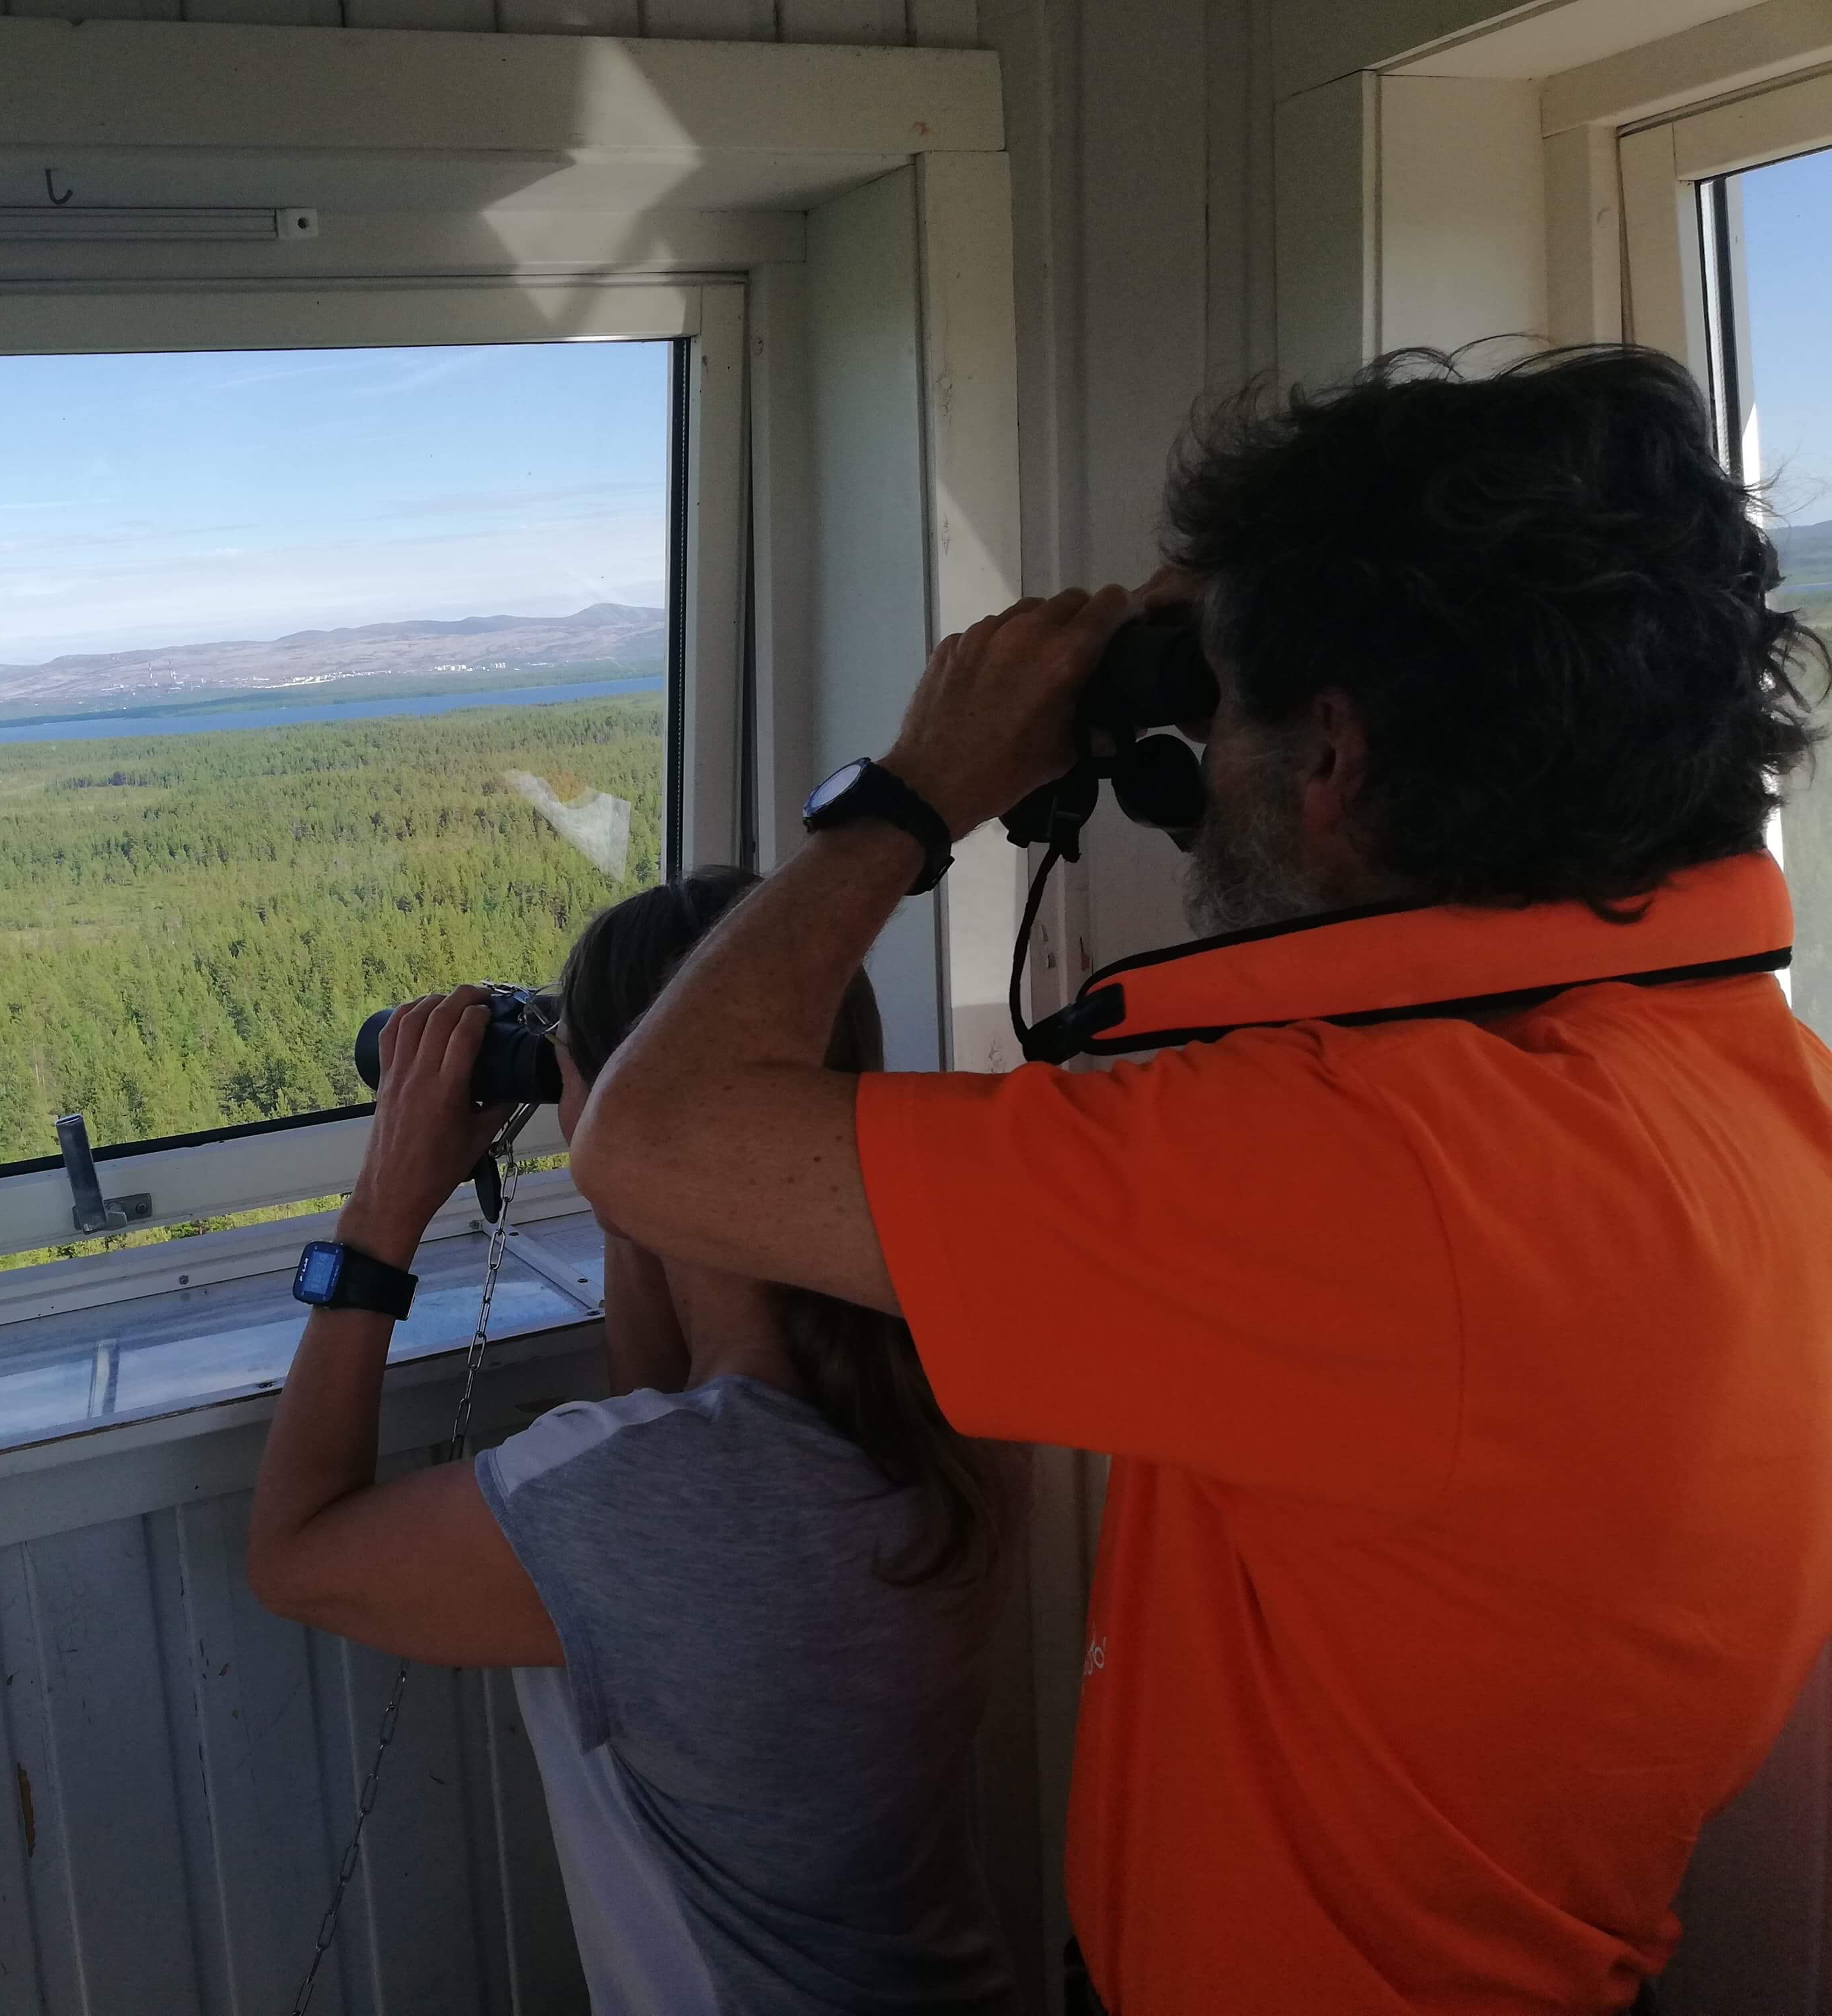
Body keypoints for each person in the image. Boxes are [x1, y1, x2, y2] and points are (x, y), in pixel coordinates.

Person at [571, 346, 1832, 2014]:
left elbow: (652, 1143)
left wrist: (912, 793)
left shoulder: (1374, 1179)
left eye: (1225, 706)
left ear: (1332, 759)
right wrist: (1261, 643)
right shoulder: (1744, 1083)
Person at [246, 869, 1025, 2016]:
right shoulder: (944, 1399)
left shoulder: (649, 1498)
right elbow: (676, 1422)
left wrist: (381, 1210)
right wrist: (635, 1172)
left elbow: (296, 1555)